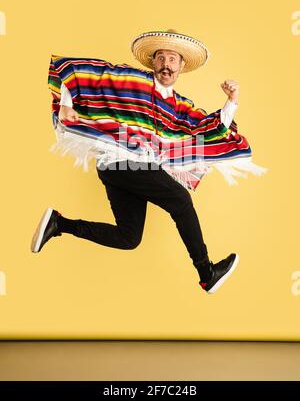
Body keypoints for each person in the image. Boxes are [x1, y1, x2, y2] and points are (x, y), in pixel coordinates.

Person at [31, 29, 266, 294]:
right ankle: (206, 272)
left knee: (129, 237)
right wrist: (65, 102)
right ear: (153, 62)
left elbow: (205, 127)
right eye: (161, 58)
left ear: (181, 65)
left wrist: (231, 101)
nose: (166, 64)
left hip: (121, 171)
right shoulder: (132, 80)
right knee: (180, 200)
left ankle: (59, 224)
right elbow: (77, 70)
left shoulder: (178, 106)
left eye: (172, 59)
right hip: (120, 159)